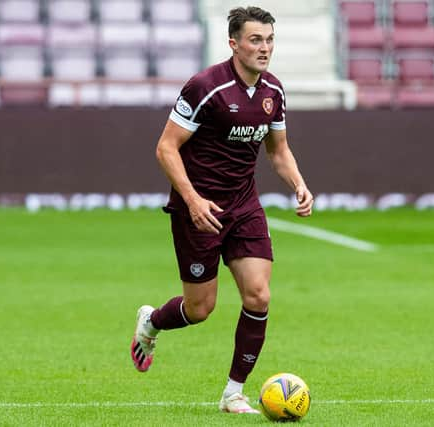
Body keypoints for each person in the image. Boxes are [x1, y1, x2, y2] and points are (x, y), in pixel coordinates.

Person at [130, 6, 314, 414]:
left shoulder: (274, 92)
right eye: (255, 40)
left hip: (244, 205)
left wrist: (299, 184)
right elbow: (166, 147)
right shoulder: (205, 87)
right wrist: (193, 201)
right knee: (200, 309)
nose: (264, 48)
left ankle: (234, 393)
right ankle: (152, 322)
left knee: (259, 295)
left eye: (269, 40)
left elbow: (278, 150)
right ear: (233, 43)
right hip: (200, 208)